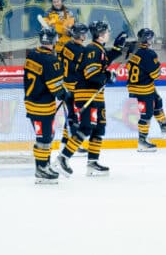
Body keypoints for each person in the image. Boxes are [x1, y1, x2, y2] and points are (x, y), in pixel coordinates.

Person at [53, 21, 127, 177]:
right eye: (107, 31)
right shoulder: (93, 49)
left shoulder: (97, 49)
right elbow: (91, 74)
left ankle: (92, 163)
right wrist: (108, 75)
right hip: (87, 94)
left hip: (96, 95)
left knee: (99, 128)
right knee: (86, 127)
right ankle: (63, 158)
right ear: (100, 34)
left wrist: (118, 49)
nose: (109, 34)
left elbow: (103, 62)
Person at [23, 27, 66, 184]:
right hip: (42, 106)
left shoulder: (32, 55)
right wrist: (65, 94)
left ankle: (44, 165)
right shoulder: (51, 60)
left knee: (45, 136)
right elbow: (55, 87)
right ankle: (41, 169)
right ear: (54, 40)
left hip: (31, 103)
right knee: (44, 138)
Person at [126, 28, 166, 152]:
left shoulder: (134, 52)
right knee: (146, 114)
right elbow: (156, 75)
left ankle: (164, 128)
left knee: (158, 101)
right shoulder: (149, 54)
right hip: (143, 89)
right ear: (149, 39)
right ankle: (142, 142)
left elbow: (131, 66)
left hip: (142, 87)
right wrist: (158, 67)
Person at [57, 22, 87, 152]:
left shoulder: (67, 45)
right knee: (75, 116)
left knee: (71, 114)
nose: (85, 35)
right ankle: (73, 144)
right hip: (75, 87)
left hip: (65, 85)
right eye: (84, 33)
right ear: (80, 35)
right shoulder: (81, 50)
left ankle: (65, 142)